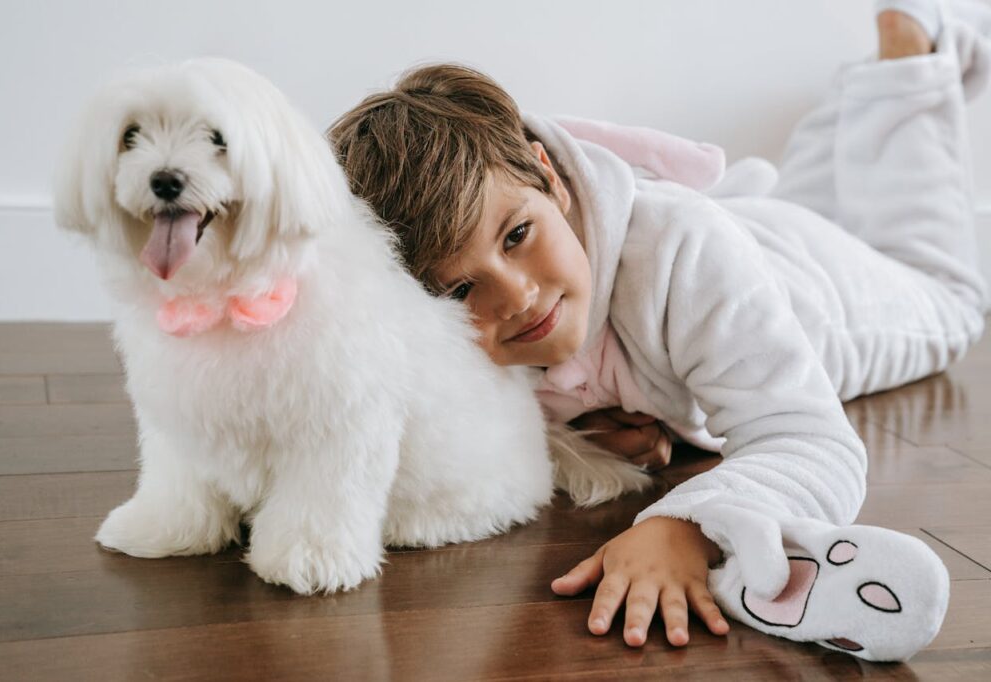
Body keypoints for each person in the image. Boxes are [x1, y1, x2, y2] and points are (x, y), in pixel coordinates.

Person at [329, 0, 990, 649]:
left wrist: (689, 525)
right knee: (800, 211)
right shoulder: (438, 341)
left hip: (822, 292)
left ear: (551, 178)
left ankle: (906, 65)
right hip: (749, 242)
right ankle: (856, 105)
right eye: (461, 288)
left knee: (948, 296)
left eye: (518, 235)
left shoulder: (681, 252)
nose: (520, 296)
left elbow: (812, 440)